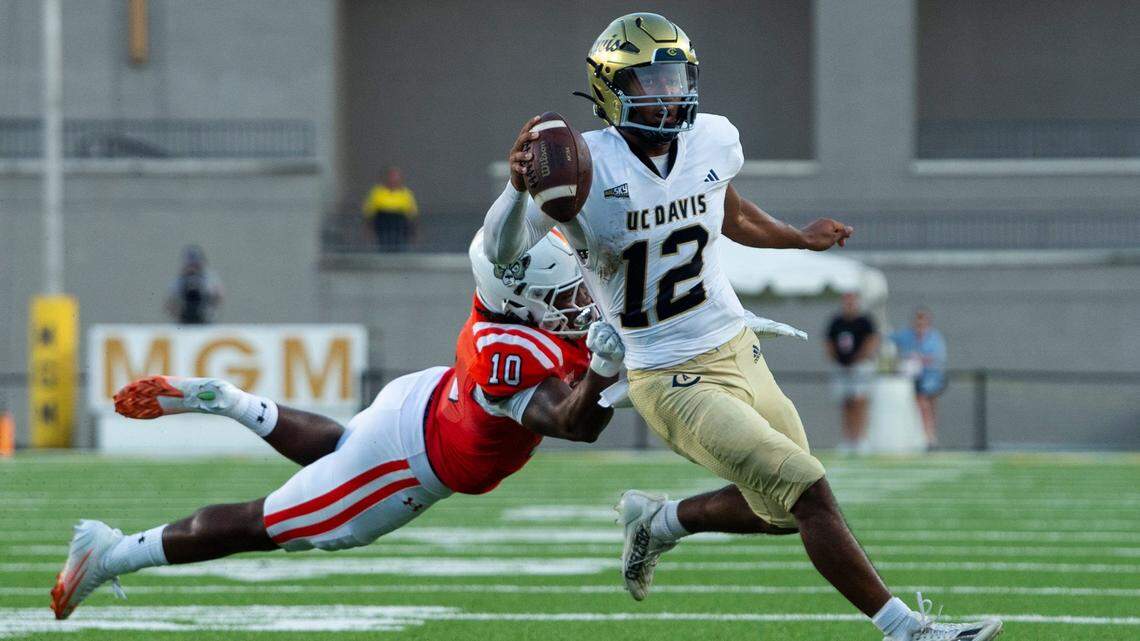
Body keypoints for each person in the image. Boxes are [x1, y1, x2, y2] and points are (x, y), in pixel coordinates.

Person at [482, 13, 1000, 641]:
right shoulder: (585, 169)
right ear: (612, 90)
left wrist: (797, 239)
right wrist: (516, 191)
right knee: (806, 490)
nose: (670, 95)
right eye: (651, 81)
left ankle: (660, 521)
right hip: (667, 372)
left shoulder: (713, 139)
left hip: (736, 344)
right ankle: (906, 629)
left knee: (784, 513)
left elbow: (729, 213)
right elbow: (504, 249)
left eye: (677, 78)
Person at [49, 229, 627, 620]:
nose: (578, 298)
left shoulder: (508, 308)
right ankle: (112, 551)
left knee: (344, 453)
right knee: (262, 523)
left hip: (420, 404)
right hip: (414, 461)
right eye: (563, 292)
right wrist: (605, 368)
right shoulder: (510, 353)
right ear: (522, 300)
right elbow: (577, 424)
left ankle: (230, 401)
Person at [826, 293, 880, 454]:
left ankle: (860, 439)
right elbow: (828, 343)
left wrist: (858, 358)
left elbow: (872, 341)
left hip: (860, 366)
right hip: (841, 367)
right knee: (845, 403)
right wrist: (838, 359)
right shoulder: (837, 322)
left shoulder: (864, 321)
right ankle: (848, 439)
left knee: (859, 402)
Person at [891, 307, 947, 450]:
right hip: (911, 379)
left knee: (928, 405)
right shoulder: (906, 336)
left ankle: (930, 436)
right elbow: (889, 339)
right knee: (922, 404)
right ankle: (926, 437)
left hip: (931, 377)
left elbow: (937, 358)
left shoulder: (934, 338)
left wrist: (919, 359)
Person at [362, 166, 418, 251]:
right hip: (382, 223)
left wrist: (413, 232)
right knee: (384, 246)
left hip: (399, 223)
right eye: (391, 176)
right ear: (385, 178)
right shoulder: (376, 192)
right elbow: (369, 212)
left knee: (400, 246)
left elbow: (412, 213)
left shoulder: (406, 193)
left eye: (396, 177)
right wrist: (368, 229)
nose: (393, 179)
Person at [164, 245, 223, 324]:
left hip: (206, 320)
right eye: (190, 264)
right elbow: (169, 304)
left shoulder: (209, 279)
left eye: (195, 264)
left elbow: (219, 296)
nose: (192, 268)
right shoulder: (179, 281)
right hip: (183, 321)